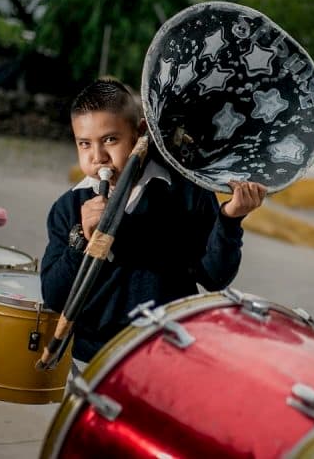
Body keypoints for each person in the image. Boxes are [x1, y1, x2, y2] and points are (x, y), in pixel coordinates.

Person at [40, 77, 267, 377]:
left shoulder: (186, 192)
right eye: (85, 144)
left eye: (110, 139)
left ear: (139, 133)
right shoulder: (68, 208)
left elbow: (215, 277)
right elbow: (54, 296)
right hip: (92, 359)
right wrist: (81, 239)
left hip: (166, 355)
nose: (98, 157)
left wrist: (230, 220)